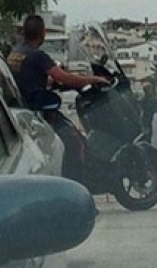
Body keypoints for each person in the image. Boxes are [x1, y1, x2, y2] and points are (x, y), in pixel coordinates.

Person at [7, 13, 110, 179]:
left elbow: (27, 77)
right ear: (43, 33)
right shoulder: (38, 56)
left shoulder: (15, 54)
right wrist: (94, 79)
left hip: (22, 112)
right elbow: (65, 78)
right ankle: (78, 183)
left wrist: (49, 82)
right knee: (76, 141)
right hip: (38, 113)